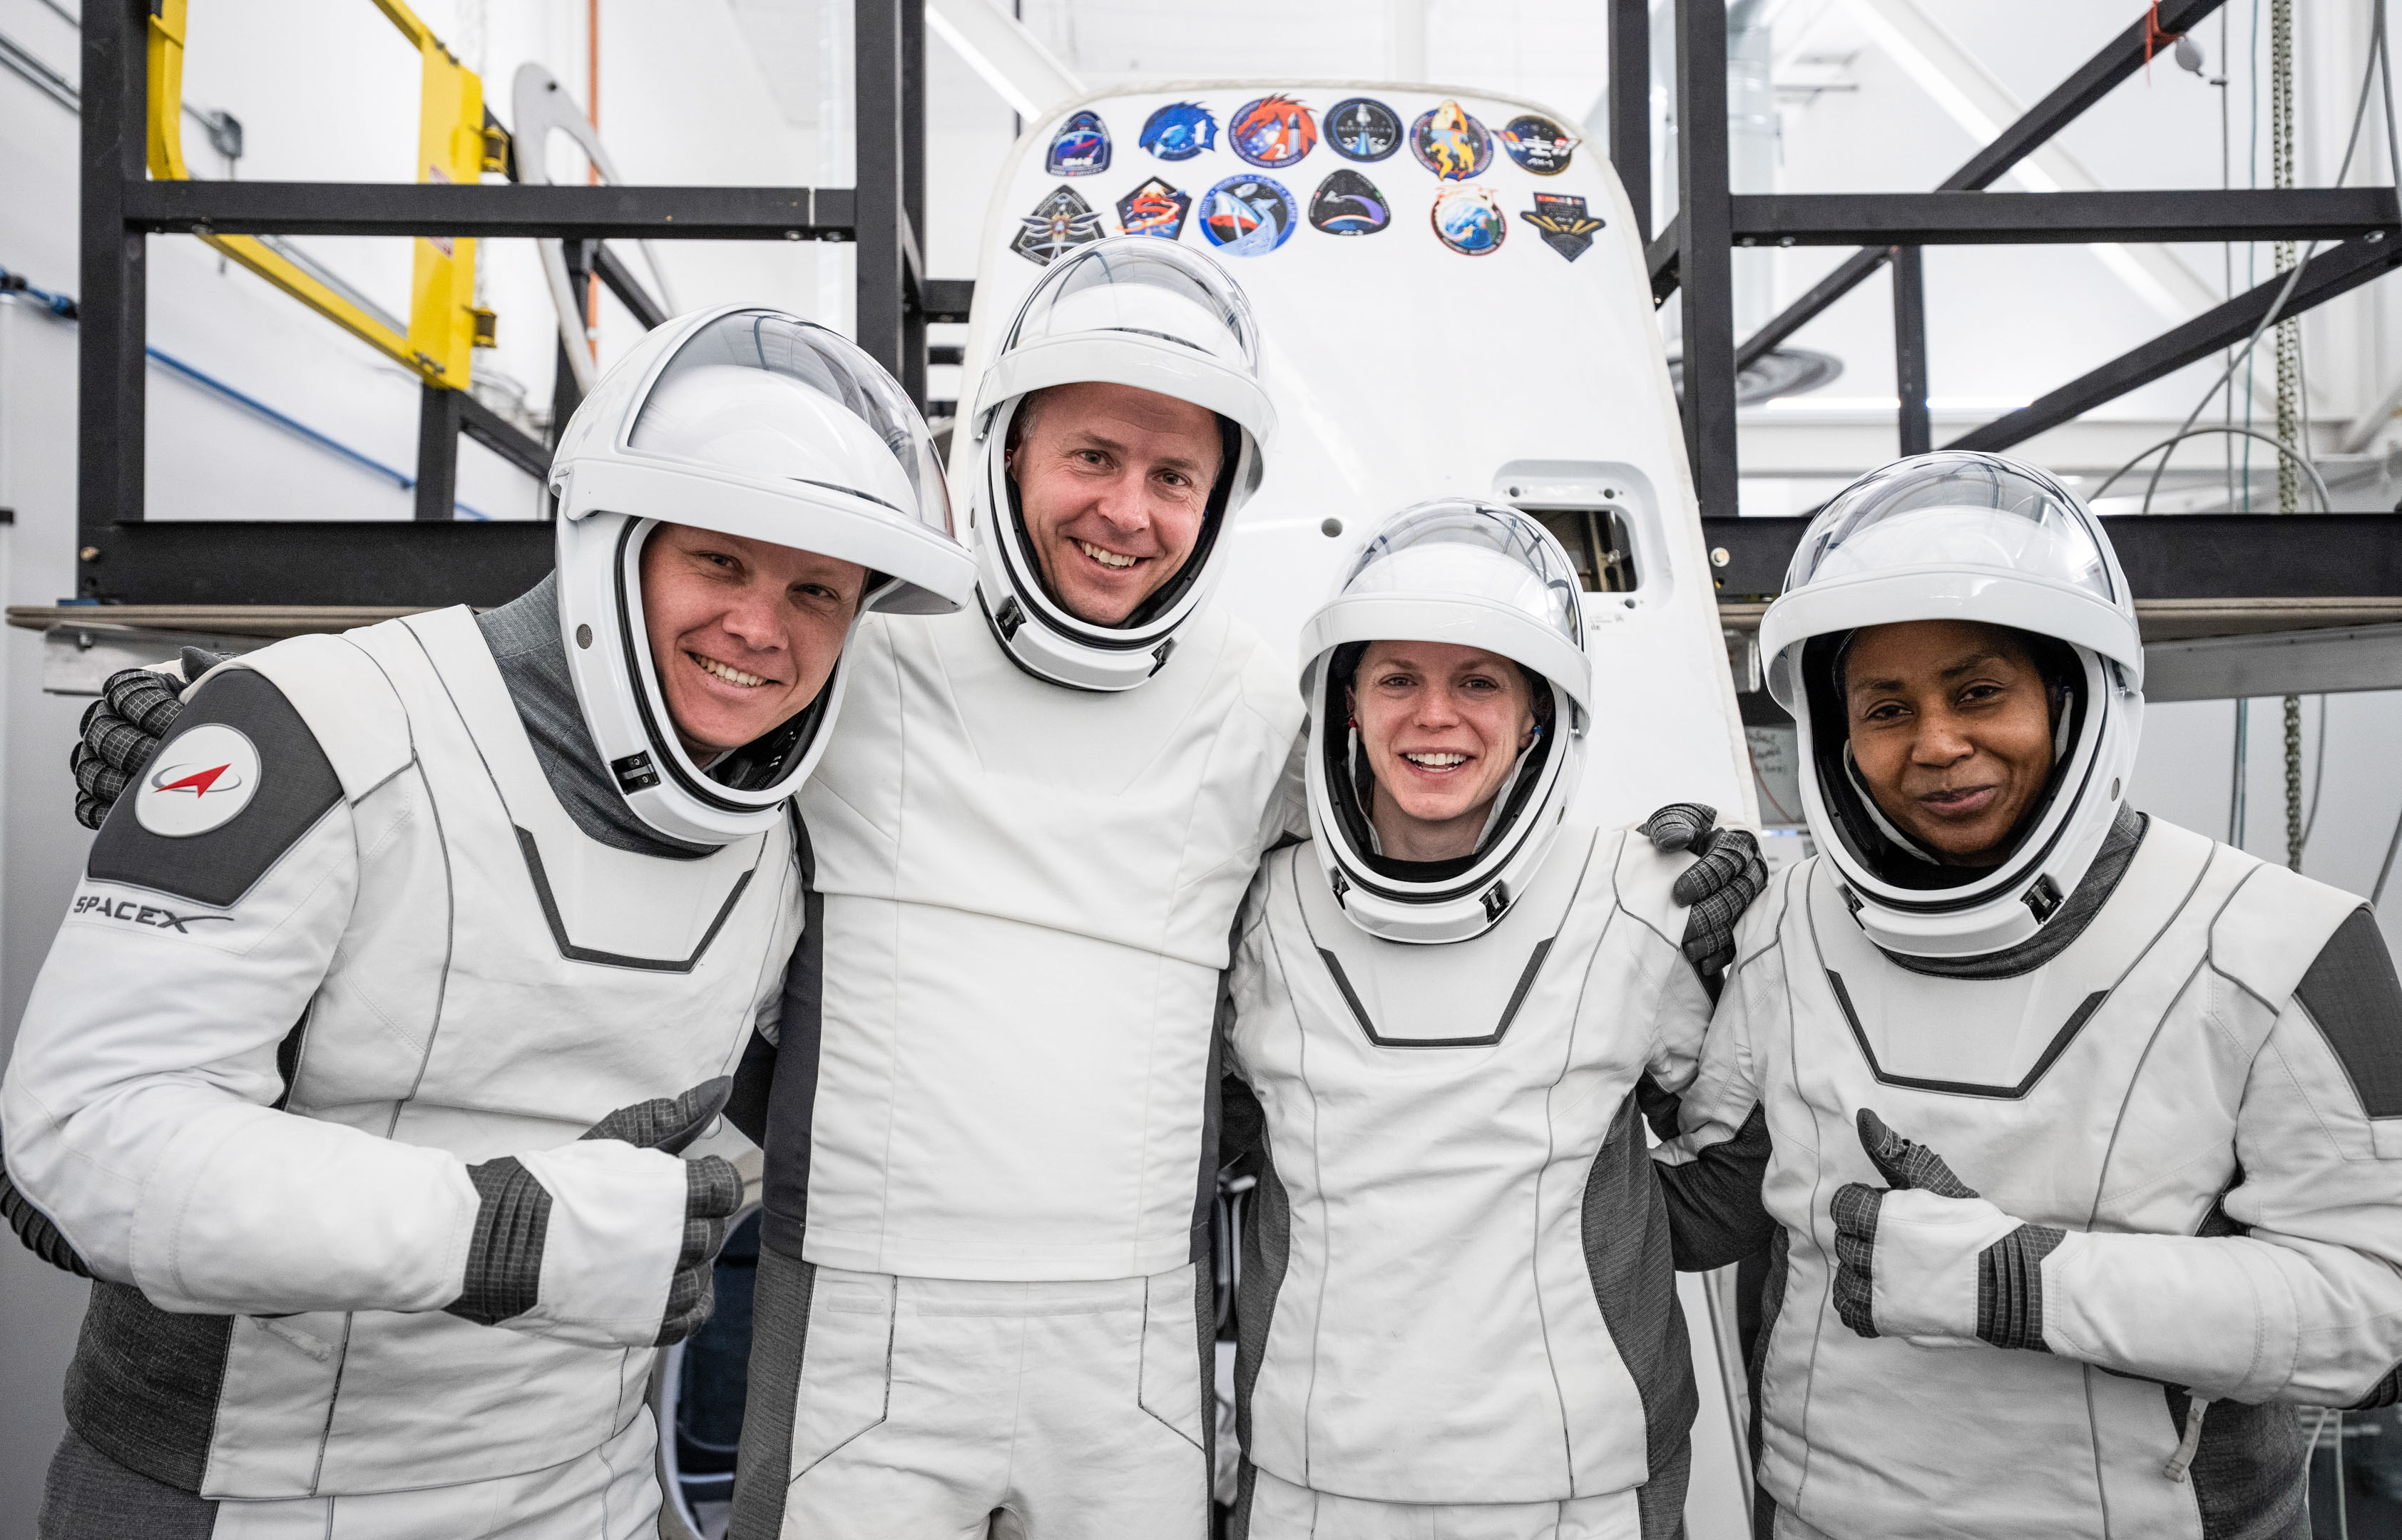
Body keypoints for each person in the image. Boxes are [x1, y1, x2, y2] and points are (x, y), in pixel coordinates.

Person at [723, 238, 1765, 1539]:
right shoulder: (860, 656)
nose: (1128, 511)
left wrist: (1687, 892)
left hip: (1140, 1338)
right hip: (862, 1321)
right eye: (1093, 458)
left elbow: (1431, 855)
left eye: (1174, 476)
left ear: (1218, 500)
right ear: (1005, 452)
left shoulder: (1258, 715)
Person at [1, 307, 975, 1539]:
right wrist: (509, 1231)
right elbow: (87, 1139)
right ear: (609, 541)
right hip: (242, 1500)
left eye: (818, 594)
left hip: (589, 1490)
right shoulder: (323, 728)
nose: (761, 630)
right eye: (720, 562)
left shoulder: (777, 847)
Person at [1657, 451, 2402, 1540]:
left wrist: (2022, 1282)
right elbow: (1706, 1213)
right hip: (1824, 1516)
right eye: (1885, 708)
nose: (1937, 744)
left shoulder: (2285, 944)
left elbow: (2377, 1322)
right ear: (1838, 736)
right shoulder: (1782, 925)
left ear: (2071, 694)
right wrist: (1634, 1002)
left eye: (1978, 692)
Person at [1219, 500, 1759, 1540]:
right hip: (1312, 1484)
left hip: (1584, 1492)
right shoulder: (1263, 914)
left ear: (1538, 712)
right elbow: (1207, 1153)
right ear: (1347, 706)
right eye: (1397, 680)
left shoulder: (1642, 898)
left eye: (1478, 681)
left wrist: (1603, 1237)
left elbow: (1736, 1183)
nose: (1435, 717)